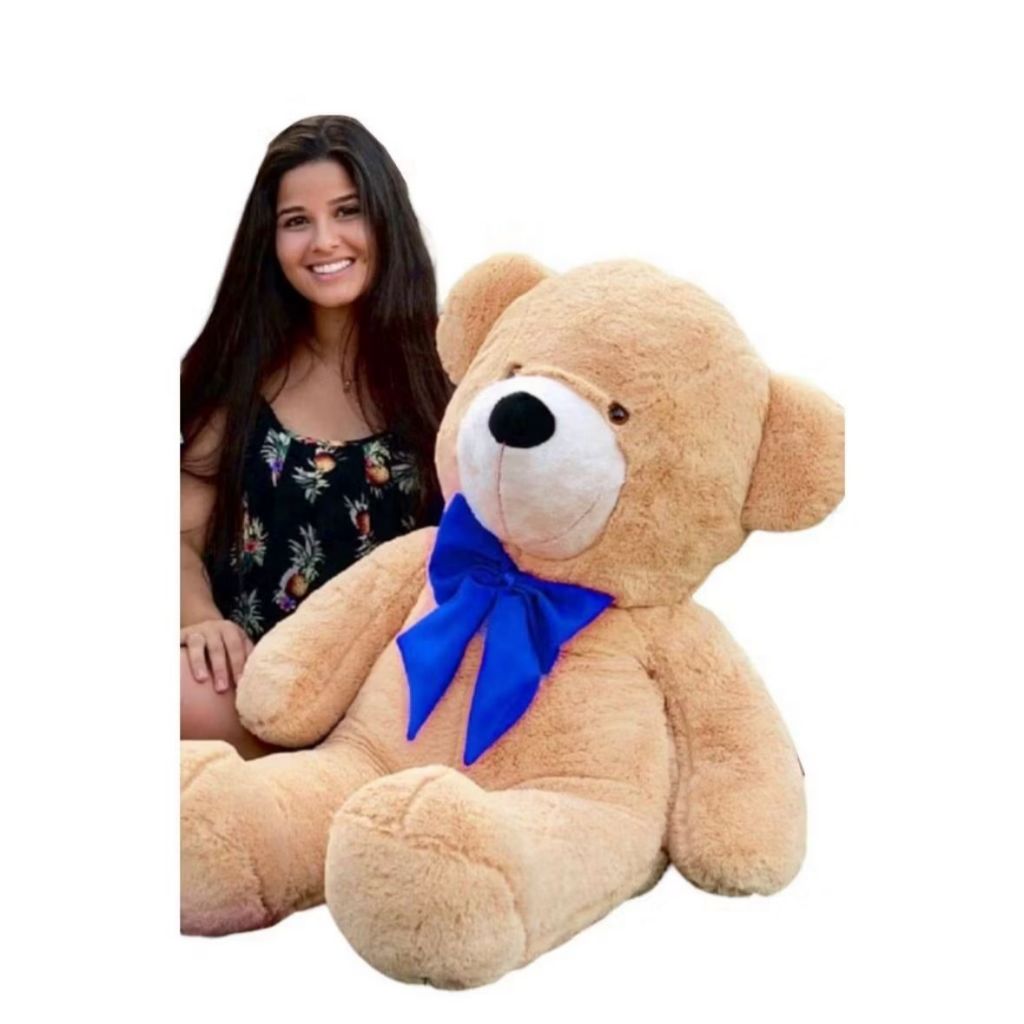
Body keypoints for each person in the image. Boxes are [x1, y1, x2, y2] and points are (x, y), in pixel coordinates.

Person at [180, 115, 451, 758]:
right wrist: (201, 621)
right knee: (177, 688)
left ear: (386, 220)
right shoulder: (240, 372)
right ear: (270, 241)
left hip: (393, 701)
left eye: (348, 211)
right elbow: (176, 538)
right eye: (296, 220)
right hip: (253, 692)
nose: (324, 241)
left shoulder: (448, 369)